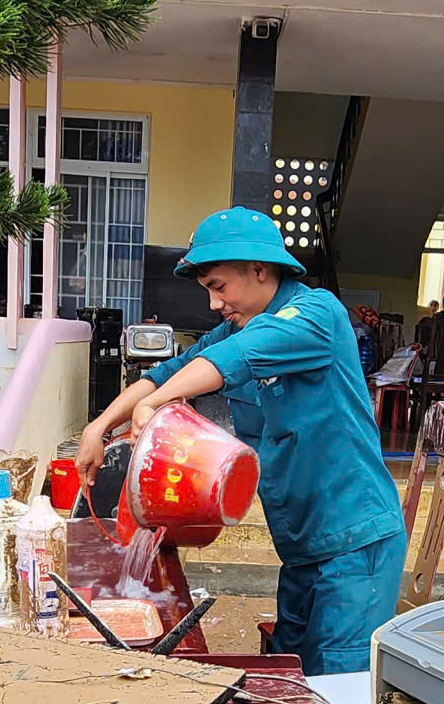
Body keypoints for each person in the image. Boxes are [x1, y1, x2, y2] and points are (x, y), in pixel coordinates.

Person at [77, 207, 405, 675]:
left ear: (259, 269)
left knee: (339, 682)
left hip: (354, 543)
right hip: (301, 543)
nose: (214, 305)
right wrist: (100, 425)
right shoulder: (236, 327)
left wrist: (159, 406)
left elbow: (235, 358)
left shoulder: (315, 314)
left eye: (218, 288)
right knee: (287, 669)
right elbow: (167, 372)